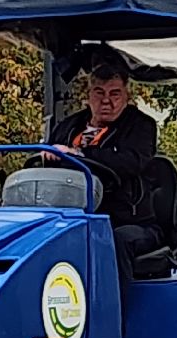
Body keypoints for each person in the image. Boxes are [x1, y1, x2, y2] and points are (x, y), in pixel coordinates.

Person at [47, 56, 161, 283]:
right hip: (70, 215)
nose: (106, 101)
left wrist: (77, 154)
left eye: (114, 94)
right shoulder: (67, 127)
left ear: (126, 97)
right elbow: (48, 157)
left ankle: (114, 315)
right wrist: (46, 155)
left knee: (112, 241)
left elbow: (131, 162)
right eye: (99, 92)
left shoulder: (141, 127)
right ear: (88, 96)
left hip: (125, 219)